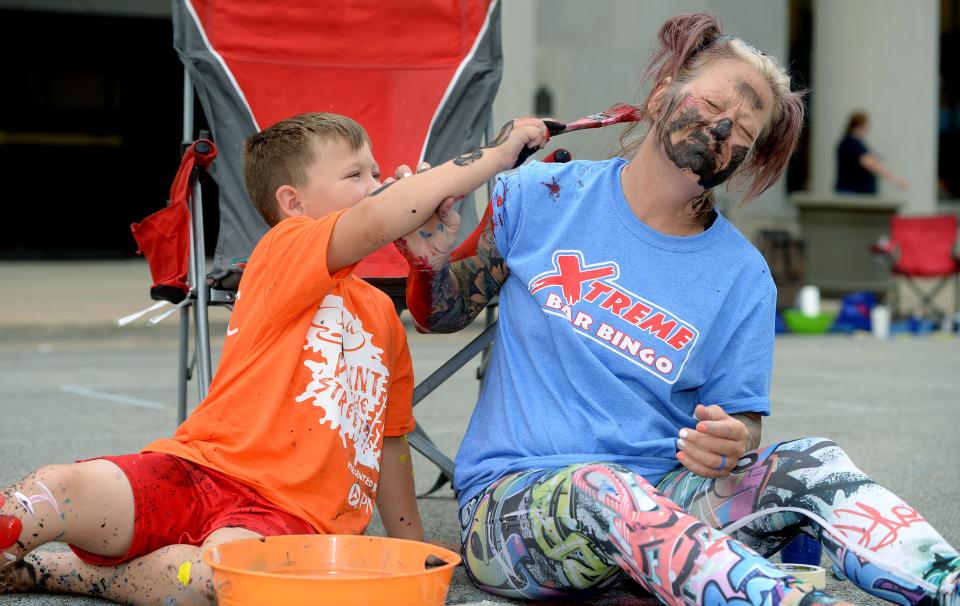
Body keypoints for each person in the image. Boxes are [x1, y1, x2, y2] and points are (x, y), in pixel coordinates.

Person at [397, 14, 960, 606]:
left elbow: (742, 427)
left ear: (746, 156)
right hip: (514, 513)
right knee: (602, 489)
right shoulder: (543, 194)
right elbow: (444, 314)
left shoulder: (743, 276)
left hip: (668, 505)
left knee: (810, 462)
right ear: (663, 94)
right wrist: (430, 264)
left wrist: (729, 441)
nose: (723, 124)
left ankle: (945, 584)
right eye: (716, 100)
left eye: (744, 127)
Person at [0, 112, 549, 604]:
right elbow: (380, 218)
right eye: (356, 175)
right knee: (64, 486)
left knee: (223, 577)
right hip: (198, 468)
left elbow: (388, 439)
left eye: (375, 174)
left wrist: (412, 550)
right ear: (293, 203)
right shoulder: (286, 249)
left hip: (290, 519)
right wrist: (498, 157)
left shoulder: (382, 316)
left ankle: (66, 572)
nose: (378, 185)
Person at [836, 110, 907, 193]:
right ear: (861, 125)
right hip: (854, 194)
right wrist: (895, 179)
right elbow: (869, 162)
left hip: (851, 193)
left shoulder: (846, 142)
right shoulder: (853, 143)